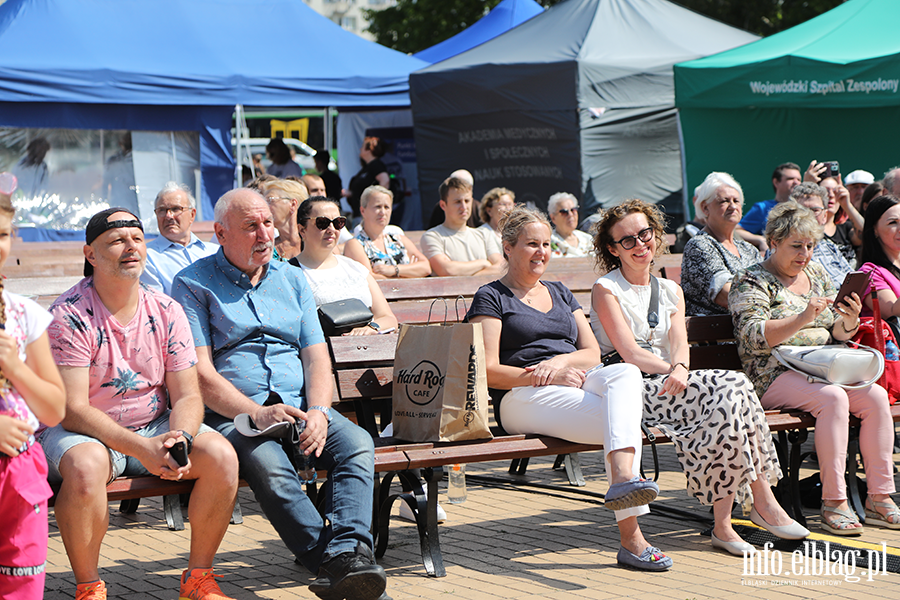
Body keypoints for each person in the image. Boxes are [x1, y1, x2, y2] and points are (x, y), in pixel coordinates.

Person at [171, 190, 389, 600]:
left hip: (301, 408)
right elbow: (199, 374)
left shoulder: (292, 278)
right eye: (251, 226)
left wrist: (321, 411)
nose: (264, 234)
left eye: (268, 223)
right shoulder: (193, 283)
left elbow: (316, 357)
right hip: (233, 415)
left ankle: (346, 555)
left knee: (358, 443)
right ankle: (345, 572)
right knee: (270, 467)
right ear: (220, 232)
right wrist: (257, 413)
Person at [42, 208, 240, 600]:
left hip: (153, 427)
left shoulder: (166, 310)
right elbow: (72, 409)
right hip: (83, 432)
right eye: (116, 241)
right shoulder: (69, 315)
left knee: (221, 454)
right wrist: (142, 449)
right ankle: (89, 587)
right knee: (86, 467)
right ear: (91, 254)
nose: (130, 246)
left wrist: (178, 437)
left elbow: (186, 394)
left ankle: (198, 579)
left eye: (137, 238)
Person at [591, 199, 807, 555]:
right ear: (613, 249)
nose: (639, 243)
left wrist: (680, 369)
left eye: (645, 233)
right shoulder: (607, 288)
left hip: (676, 385)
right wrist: (675, 371)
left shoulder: (670, 289)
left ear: (656, 235)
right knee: (730, 391)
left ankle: (731, 521)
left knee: (732, 395)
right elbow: (629, 353)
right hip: (630, 390)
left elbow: (680, 344)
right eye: (627, 240)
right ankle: (758, 503)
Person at [467, 205, 671, 572]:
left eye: (546, 244)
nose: (542, 252)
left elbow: (591, 351)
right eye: (532, 244)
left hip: (575, 378)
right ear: (508, 248)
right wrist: (544, 374)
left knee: (625, 373)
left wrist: (560, 364)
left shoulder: (559, 292)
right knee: (622, 424)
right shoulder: (492, 296)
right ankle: (632, 538)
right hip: (520, 397)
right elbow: (489, 370)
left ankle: (624, 478)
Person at [730, 201, 898, 535]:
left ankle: (880, 497)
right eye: (796, 246)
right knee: (833, 399)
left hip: (823, 369)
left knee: (877, 397)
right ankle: (834, 503)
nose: (804, 254)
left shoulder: (817, 274)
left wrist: (848, 321)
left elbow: (836, 329)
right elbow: (752, 339)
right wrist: (803, 317)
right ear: (774, 242)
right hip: (770, 375)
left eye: (810, 246)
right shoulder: (751, 280)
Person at [0, 180, 66, 600]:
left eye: (2, 234)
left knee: (21, 585)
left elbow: (55, 408)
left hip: (20, 475)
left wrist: (13, 367)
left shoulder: (24, 315)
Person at [289, 197, 398, 335]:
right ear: (302, 230)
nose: (331, 229)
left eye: (337, 222)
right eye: (322, 223)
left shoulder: (356, 268)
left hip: (367, 350)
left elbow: (388, 318)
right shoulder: (289, 273)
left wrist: (370, 329)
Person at [681, 172, 759, 316]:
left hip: (752, 326)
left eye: (736, 201)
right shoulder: (699, 246)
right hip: (717, 333)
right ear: (705, 208)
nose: (732, 206)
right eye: (724, 201)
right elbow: (725, 295)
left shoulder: (749, 249)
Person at [142, 182, 219, 295]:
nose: (169, 216)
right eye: (162, 210)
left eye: (175, 209)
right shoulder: (147, 256)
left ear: (192, 215)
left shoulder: (215, 252)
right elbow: (158, 305)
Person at [420, 177, 505, 277]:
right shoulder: (432, 237)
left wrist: (466, 273)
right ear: (443, 205)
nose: (464, 207)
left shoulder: (484, 235)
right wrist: (483, 263)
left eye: (467, 201)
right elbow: (447, 270)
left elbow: (502, 268)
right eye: (457, 202)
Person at [344, 186, 431, 279]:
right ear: (363, 211)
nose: (383, 212)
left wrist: (394, 270)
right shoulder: (356, 244)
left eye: (387, 207)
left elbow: (426, 268)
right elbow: (370, 278)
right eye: (378, 206)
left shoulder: (399, 239)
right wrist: (410, 272)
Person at [789, 183, 852, 288]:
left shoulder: (830, 247)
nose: (808, 215)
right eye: (803, 210)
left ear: (825, 216)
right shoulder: (783, 249)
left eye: (815, 210)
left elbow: (853, 278)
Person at [736, 162, 802, 251]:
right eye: (790, 179)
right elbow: (737, 231)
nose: (796, 182)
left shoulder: (804, 208)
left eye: (799, 179)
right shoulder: (762, 208)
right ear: (776, 182)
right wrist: (760, 240)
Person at [262, 178, 309, 262]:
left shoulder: (314, 243)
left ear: (293, 204)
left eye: (270, 200)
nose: (265, 207)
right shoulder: (266, 248)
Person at [344, 137, 390, 219]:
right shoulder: (366, 168)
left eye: (363, 147)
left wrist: (378, 202)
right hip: (360, 213)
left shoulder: (376, 165)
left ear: (369, 150)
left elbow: (385, 180)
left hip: (369, 215)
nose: (360, 149)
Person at [548, 192, 593, 257]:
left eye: (573, 210)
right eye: (564, 212)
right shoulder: (549, 241)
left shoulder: (587, 239)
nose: (570, 215)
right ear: (553, 218)